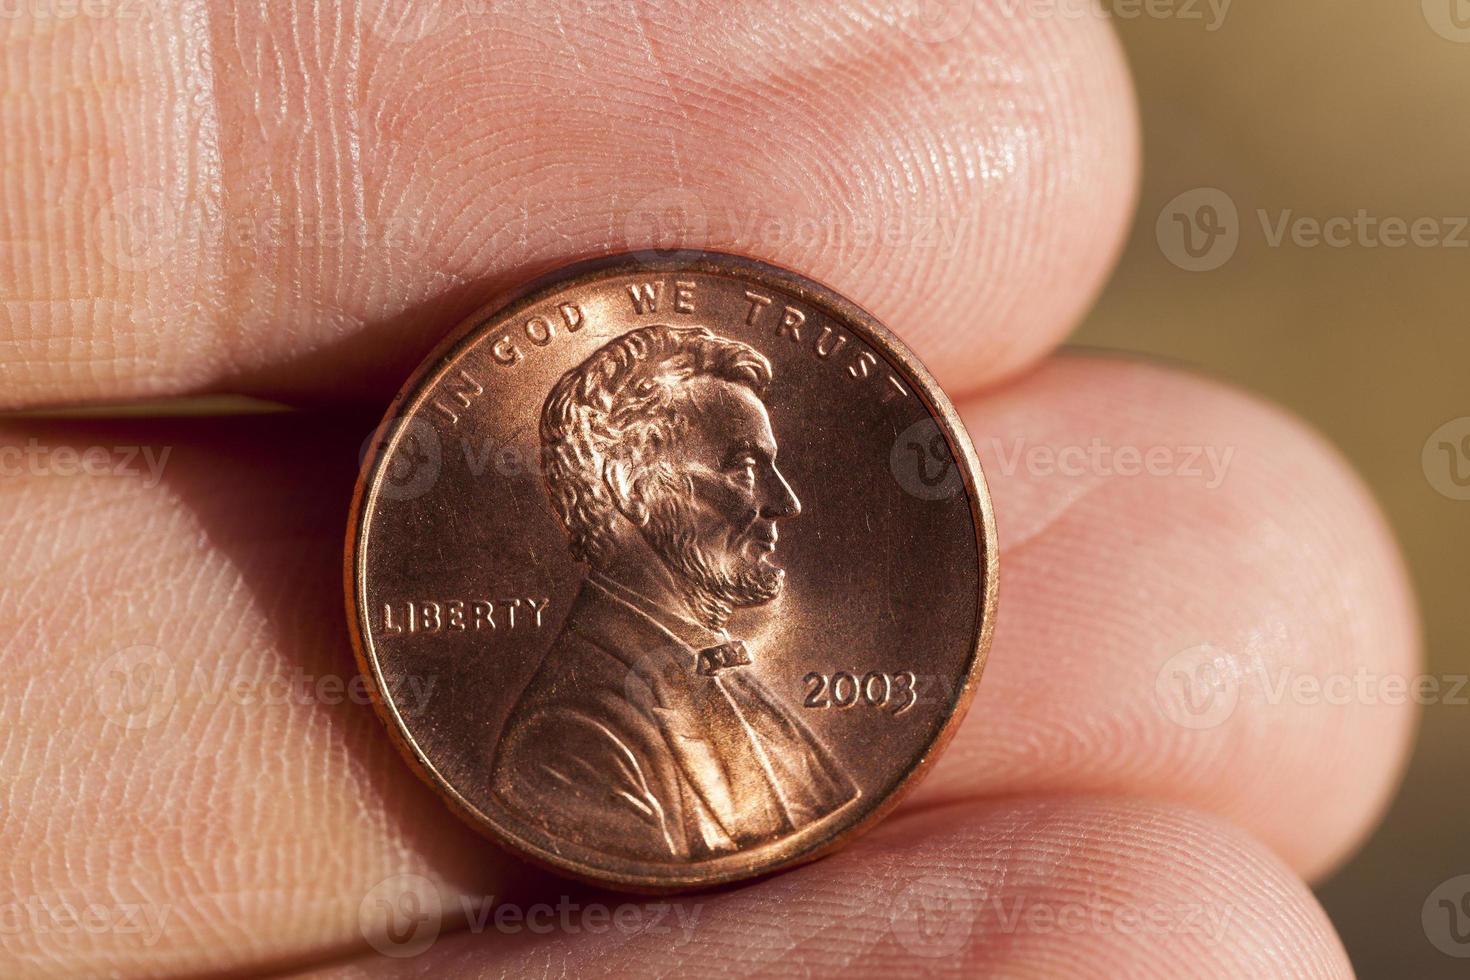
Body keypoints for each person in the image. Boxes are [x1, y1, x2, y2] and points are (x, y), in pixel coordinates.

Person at [492, 325, 859, 860]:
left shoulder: (739, 687)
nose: (786, 502)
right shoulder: (569, 738)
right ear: (629, 485)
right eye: (743, 467)